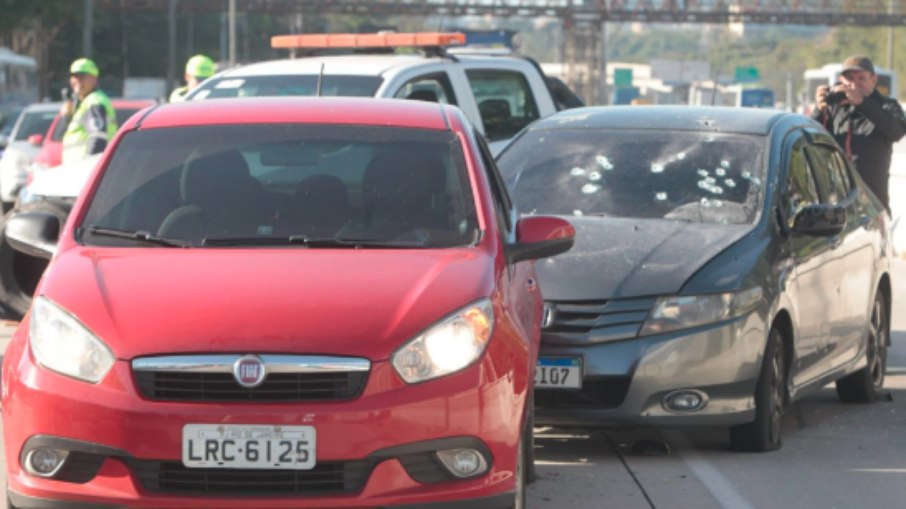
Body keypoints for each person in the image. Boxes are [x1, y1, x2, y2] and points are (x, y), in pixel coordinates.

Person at [813, 55, 906, 212]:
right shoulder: (835, 106)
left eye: (861, 78)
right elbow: (812, 138)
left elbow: (896, 132)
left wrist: (862, 103)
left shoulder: (887, 106)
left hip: (873, 203)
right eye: (849, 78)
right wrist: (819, 110)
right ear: (841, 80)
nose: (854, 84)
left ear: (873, 80)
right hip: (838, 202)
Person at [61, 58, 118, 165]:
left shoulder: (94, 102)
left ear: (93, 79)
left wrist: (88, 167)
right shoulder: (83, 102)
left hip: (85, 169)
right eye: (74, 77)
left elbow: (98, 139)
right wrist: (67, 116)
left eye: (82, 77)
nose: (76, 81)